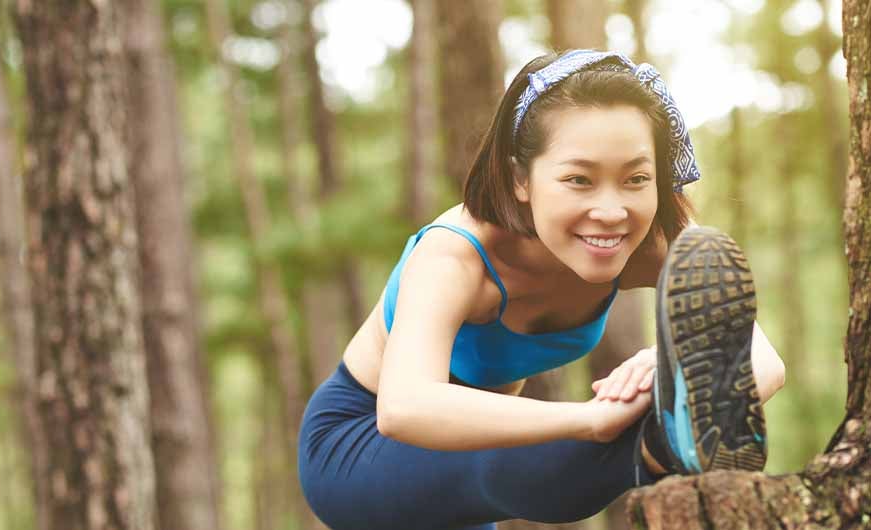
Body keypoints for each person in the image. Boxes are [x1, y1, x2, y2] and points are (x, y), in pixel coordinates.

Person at [297, 49, 786, 530]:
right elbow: (405, 408)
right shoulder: (457, 255)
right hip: (355, 448)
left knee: (536, 461)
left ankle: (668, 436)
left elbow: (765, 366)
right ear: (520, 179)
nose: (612, 210)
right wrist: (589, 419)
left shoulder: (651, 241)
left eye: (636, 178)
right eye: (579, 179)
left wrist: (667, 359)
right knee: (560, 452)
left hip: (481, 463)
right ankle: (662, 445)